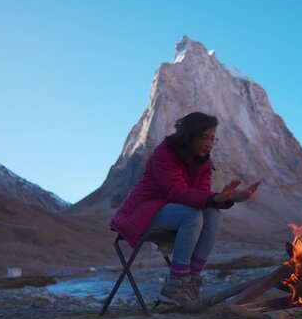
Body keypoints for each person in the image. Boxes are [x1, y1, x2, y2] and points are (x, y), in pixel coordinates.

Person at [110, 112, 260, 306]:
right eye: (204, 137)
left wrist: (230, 199)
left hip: (170, 211)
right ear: (189, 135)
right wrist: (215, 198)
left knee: (213, 215)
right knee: (191, 215)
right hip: (142, 212)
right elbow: (176, 192)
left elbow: (203, 197)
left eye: (212, 138)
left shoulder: (203, 162)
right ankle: (176, 285)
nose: (209, 144)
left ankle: (191, 281)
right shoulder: (164, 153)